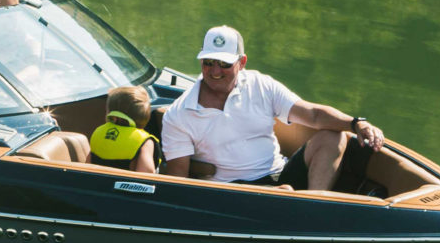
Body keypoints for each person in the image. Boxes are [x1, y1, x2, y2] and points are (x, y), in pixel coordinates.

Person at [160, 26, 384, 190]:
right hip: (229, 191)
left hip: (279, 175)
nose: (215, 71)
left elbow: (313, 115)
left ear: (242, 62)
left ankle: (312, 206)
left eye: (224, 64)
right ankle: (295, 207)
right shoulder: (178, 115)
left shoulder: (261, 84)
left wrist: (357, 123)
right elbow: (179, 179)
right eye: (208, 62)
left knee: (333, 137)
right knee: (283, 192)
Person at [89, 85, 159, 173]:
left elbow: (87, 164)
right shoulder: (144, 141)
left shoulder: (98, 132)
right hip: (122, 186)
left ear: (114, 116)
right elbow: (146, 171)